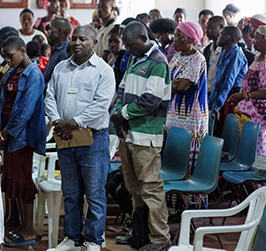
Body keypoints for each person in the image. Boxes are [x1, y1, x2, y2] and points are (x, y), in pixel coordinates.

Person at [45, 25, 115, 251]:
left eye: (82, 39)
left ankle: (94, 240)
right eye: (74, 39)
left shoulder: (103, 70)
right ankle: (72, 238)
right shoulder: (60, 68)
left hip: (92, 140)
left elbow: (101, 105)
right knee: (71, 193)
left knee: (94, 194)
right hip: (65, 138)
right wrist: (57, 122)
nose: (76, 43)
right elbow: (50, 97)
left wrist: (73, 123)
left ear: (94, 42)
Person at [110, 22, 171, 251]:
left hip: (147, 135)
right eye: (125, 44)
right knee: (134, 188)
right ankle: (141, 233)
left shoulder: (158, 62)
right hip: (130, 133)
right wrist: (117, 113)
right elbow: (122, 89)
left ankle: (160, 238)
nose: (127, 48)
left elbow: (150, 101)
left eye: (130, 44)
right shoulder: (136, 59)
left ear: (144, 37)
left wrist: (122, 114)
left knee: (151, 188)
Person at [0, 36, 46, 248]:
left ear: (22, 51)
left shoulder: (34, 75)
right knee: (11, 178)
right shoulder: (11, 73)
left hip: (22, 137)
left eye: (10, 56)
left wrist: (8, 131)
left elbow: (26, 109)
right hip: (6, 134)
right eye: (4, 57)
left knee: (22, 181)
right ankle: (15, 222)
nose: (7, 60)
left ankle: (28, 230)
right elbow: (2, 101)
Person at [227, 24, 266, 156]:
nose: (254, 41)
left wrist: (243, 96)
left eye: (257, 39)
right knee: (250, 148)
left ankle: (255, 173)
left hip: (262, 112)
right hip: (252, 109)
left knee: (259, 148)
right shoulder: (258, 58)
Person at [167, 22, 209, 172]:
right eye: (175, 35)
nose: (174, 40)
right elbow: (170, 82)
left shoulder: (198, 59)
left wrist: (163, 85)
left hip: (191, 115)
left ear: (191, 40)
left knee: (187, 155)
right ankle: (173, 193)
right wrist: (170, 84)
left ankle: (189, 194)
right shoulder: (176, 57)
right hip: (173, 113)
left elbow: (181, 86)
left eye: (180, 37)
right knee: (173, 154)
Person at [208, 26, 248, 113]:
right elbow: (218, 81)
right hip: (222, 96)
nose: (218, 38)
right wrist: (210, 104)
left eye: (220, 36)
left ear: (226, 37)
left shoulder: (236, 54)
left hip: (230, 98)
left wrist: (217, 106)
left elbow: (228, 82)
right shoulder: (224, 52)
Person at [43, 18, 73, 84]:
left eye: (50, 29)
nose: (48, 33)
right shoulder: (56, 49)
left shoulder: (66, 52)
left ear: (59, 31)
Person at [203, 16, 226, 93]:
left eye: (210, 28)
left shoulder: (227, 51)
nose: (207, 31)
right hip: (207, 91)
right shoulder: (207, 49)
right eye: (206, 28)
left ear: (221, 27)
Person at [106, 25, 130, 90]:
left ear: (123, 42)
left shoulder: (125, 58)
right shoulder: (110, 57)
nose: (112, 44)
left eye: (116, 41)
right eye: (110, 41)